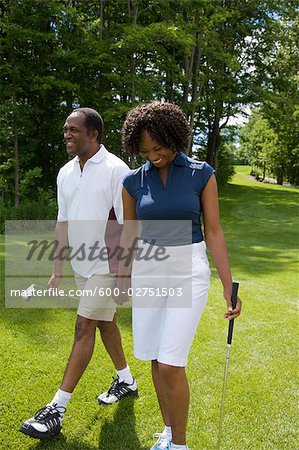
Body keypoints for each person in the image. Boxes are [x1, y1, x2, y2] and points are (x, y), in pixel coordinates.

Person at [116, 102, 242, 450]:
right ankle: (169, 433)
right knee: (156, 358)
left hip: (189, 271)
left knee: (171, 363)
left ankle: (180, 445)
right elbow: (130, 233)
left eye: (159, 148)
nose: (153, 155)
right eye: (145, 150)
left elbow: (214, 231)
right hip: (147, 272)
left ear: (175, 138)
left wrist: (227, 285)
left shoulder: (202, 173)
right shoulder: (131, 182)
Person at [19, 107, 138, 440]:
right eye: (65, 129)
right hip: (82, 265)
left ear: (93, 134)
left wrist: (125, 275)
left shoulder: (118, 170)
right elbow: (63, 223)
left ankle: (56, 409)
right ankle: (126, 380)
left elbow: (130, 225)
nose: (67, 134)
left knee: (84, 326)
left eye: (73, 130)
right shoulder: (65, 173)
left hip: (109, 265)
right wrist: (57, 270)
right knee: (104, 323)